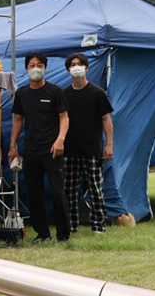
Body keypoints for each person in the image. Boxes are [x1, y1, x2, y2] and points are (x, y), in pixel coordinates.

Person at [8, 53, 70, 243]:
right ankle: (42, 233)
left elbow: (64, 117)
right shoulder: (22, 93)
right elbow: (18, 120)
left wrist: (60, 140)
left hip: (52, 150)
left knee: (58, 193)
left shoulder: (55, 91)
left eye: (39, 65)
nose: (36, 68)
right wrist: (13, 146)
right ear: (26, 68)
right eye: (32, 65)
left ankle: (63, 234)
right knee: (35, 194)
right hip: (30, 150)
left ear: (45, 68)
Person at [63, 53, 114, 234]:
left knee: (95, 189)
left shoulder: (97, 93)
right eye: (73, 64)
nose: (76, 67)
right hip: (69, 149)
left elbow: (106, 119)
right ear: (69, 69)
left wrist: (109, 144)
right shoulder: (64, 94)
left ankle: (98, 225)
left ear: (87, 68)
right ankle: (71, 225)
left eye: (80, 64)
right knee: (69, 190)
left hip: (92, 149)